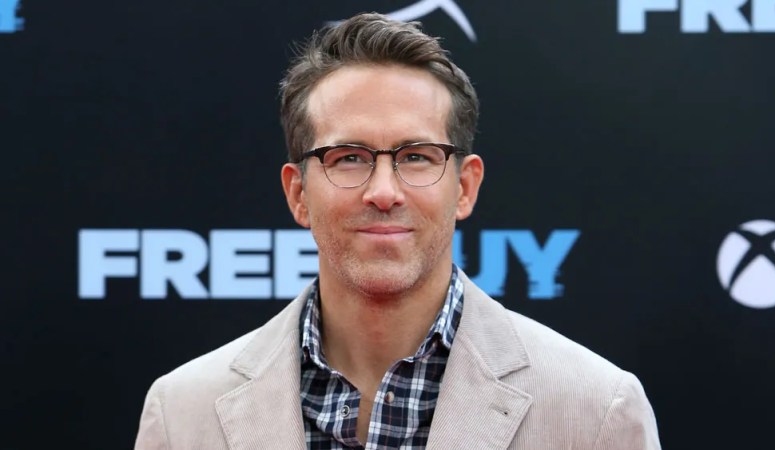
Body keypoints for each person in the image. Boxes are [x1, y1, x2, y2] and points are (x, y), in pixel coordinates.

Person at [135, 12, 661, 450]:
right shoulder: (183, 413)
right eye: (348, 157)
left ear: (465, 187)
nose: (383, 192)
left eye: (416, 156)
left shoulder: (598, 410)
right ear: (298, 193)